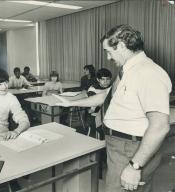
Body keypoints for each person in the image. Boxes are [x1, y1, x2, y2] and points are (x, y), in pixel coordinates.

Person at [56, 24, 172, 192]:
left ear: (122, 46)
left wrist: (134, 166)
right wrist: (70, 103)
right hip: (121, 147)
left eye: (109, 51)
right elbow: (106, 96)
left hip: (132, 149)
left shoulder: (148, 73)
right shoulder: (127, 70)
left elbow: (160, 127)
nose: (108, 58)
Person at [86, 68, 112, 139]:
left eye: (108, 79)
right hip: (94, 115)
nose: (106, 82)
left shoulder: (112, 87)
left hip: (109, 114)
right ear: (98, 79)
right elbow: (93, 107)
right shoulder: (93, 89)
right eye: (103, 79)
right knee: (104, 128)